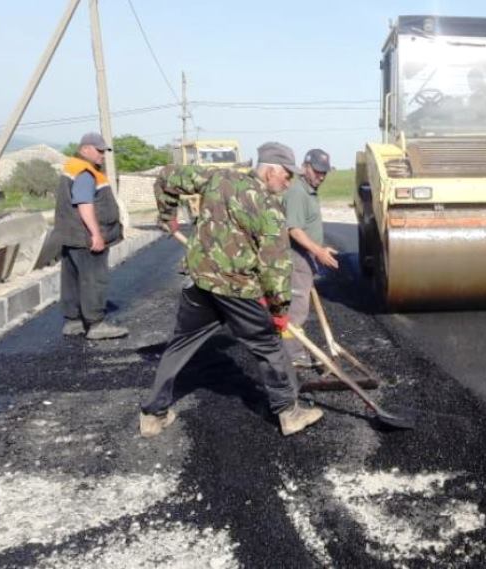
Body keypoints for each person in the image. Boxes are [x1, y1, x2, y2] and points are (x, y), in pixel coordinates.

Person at [139, 142, 323, 438]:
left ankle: (153, 415)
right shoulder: (269, 209)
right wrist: (279, 311)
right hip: (236, 288)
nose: (289, 183)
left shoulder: (218, 177)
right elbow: (275, 266)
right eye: (287, 176)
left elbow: (167, 176)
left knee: (180, 345)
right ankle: (289, 413)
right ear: (270, 171)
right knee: (270, 346)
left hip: (201, 281)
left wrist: (167, 215)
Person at [52, 132, 128, 340]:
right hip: (85, 237)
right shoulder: (85, 173)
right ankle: (96, 324)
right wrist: (96, 234)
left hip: (71, 235)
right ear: (85, 149)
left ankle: (73, 321)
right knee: (93, 279)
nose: (102, 155)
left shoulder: (72, 167)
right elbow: (85, 204)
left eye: (104, 151)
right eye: (99, 150)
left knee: (72, 279)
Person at [282, 148, 339, 368]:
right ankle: (293, 356)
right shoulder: (298, 192)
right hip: (296, 258)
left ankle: (293, 351)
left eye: (324, 172)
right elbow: (294, 230)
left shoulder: (309, 191)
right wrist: (318, 252)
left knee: (299, 307)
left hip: (305, 257)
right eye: (317, 172)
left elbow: (306, 227)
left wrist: (320, 248)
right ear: (305, 167)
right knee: (296, 310)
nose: (321, 177)